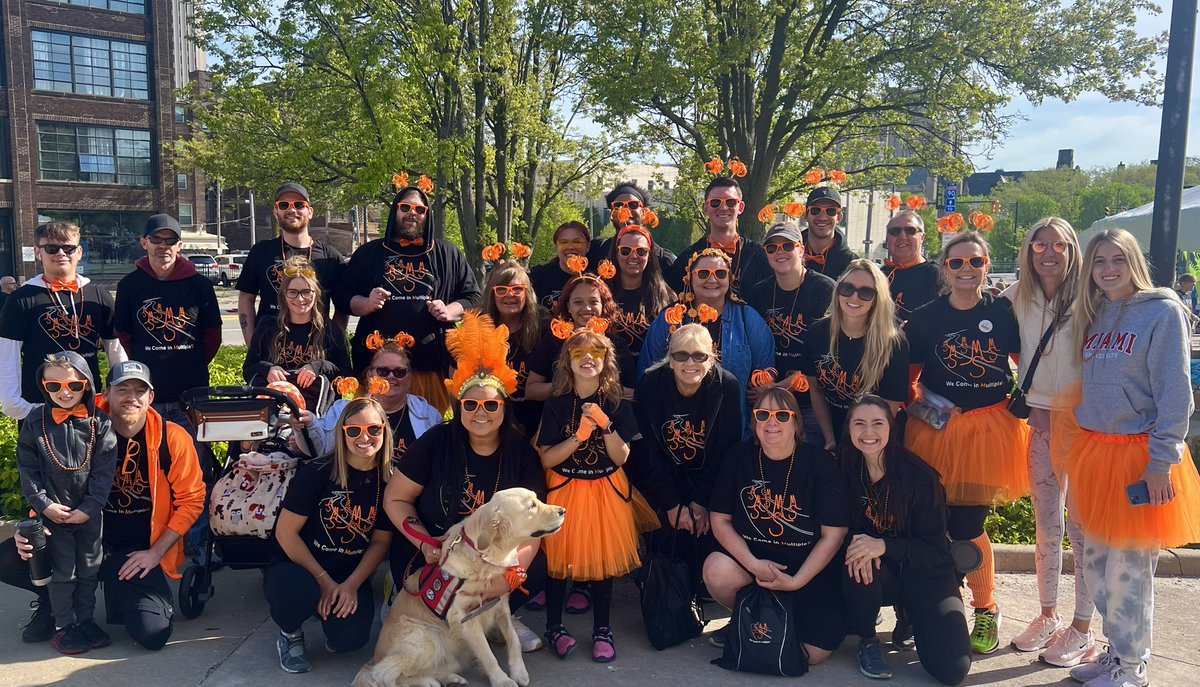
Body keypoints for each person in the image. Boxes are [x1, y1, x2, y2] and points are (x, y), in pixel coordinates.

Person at [1060, 229, 1200, 687]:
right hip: (1098, 451)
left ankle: (1133, 666)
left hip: (1140, 456)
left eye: (1118, 259)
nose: (1108, 269)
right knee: (1097, 568)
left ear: (1134, 260)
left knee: (1130, 572)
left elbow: (1177, 393)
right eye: (1099, 261)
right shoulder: (1096, 312)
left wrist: (1162, 461)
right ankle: (1116, 651)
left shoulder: (1162, 311)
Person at [7, 360, 206, 650]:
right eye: (122, 389)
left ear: (151, 397)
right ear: (105, 393)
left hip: (132, 549)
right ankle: (55, 607)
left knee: (153, 633)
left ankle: (105, 596)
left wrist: (155, 553)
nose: (131, 397)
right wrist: (37, 520)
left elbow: (192, 500)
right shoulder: (80, 424)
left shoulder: (172, 438)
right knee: (10, 557)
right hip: (74, 533)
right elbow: (46, 475)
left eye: (140, 391)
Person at [384, 312, 548, 652]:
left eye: (491, 404)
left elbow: (533, 528)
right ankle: (422, 611)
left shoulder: (522, 454)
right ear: (459, 407)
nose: (480, 411)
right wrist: (425, 541)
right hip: (434, 558)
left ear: (504, 407)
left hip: (492, 561)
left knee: (540, 564)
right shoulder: (435, 442)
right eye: (470, 404)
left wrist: (506, 580)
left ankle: (497, 616)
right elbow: (395, 499)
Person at [904, 231, 1030, 655]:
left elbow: (1028, 366)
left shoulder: (1005, 311)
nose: (965, 270)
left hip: (990, 433)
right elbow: (908, 388)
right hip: (937, 432)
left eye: (974, 262)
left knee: (968, 526)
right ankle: (942, 602)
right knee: (935, 523)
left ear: (986, 266)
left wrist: (1021, 400)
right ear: (944, 269)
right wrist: (934, 411)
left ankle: (986, 606)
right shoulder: (925, 318)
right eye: (956, 263)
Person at [1000, 219, 1099, 665]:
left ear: (1072, 249)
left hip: (1083, 428)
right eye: (1040, 244)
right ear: (1028, 250)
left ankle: (1083, 625)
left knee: (1081, 527)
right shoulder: (1016, 294)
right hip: (1039, 423)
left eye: (1059, 244)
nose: (1049, 253)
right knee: (1046, 522)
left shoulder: (1090, 295)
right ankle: (1048, 614)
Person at [702, 388, 849, 661]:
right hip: (756, 569)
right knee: (716, 569)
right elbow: (719, 519)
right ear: (754, 421)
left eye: (782, 415)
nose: (772, 422)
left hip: (807, 572)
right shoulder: (738, 457)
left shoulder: (820, 464)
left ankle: (769, 623)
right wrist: (752, 562)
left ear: (796, 422)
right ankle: (748, 618)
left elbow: (834, 535)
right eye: (763, 415)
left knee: (813, 654)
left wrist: (796, 581)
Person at [839, 397, 971, 685]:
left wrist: (885, 545)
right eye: (859, 423)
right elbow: (835, 527)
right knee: (857, 558)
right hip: (878, 572)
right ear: (849, 428)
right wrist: (862, 545)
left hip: (926, 573)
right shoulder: (844, 467)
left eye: (877, 423)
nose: (868, 432)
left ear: (891, 427)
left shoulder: (920, 478)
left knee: (952, 669)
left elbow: (936, 551)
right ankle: (868, 639)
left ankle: (910, 614)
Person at [537, 320, 647, 662]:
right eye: (578, 352)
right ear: (567, 362)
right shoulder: (556, 404)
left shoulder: (617, 403)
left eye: (596, 351)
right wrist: (579, 437)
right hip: (565, 489)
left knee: (603, 562)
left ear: (606, 360)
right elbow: (548, 458)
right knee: (557, 562)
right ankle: (553, 626)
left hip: (605, 490)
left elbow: (621, 456)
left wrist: (605, 423)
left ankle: (602, 628)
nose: (587, 358)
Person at [267, 396, 394, 674]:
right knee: (297, 592)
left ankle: (326, 612)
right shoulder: (316, 472)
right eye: (354, 430)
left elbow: (380, 542)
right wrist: (323, 582)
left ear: (384, 430)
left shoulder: (389, 481)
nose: (365, 437)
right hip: (298, 566)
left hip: (347, 572)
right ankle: (290, 633)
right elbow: (286, 533)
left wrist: (350, 585)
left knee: (351, 639)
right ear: (342, 433)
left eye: (374, 429)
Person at [335, 184, 481, 413]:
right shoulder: (370, 253)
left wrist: (450, 310)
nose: (412, 213)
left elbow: (473, 296)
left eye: (419, 209)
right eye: (405, 207)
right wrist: (365, 303)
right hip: (378, 368)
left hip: (431, 367)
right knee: (374, 430)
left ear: (427, 215)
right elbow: (341, 296)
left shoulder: (447, 253)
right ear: (395, 211)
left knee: (427, 433)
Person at [16, 351, 117, 654]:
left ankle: (85, 619)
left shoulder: (100, 424)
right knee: (62, 572)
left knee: (89, 567)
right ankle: (64, 625)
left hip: (89, 514)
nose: (64, 392)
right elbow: (28, 470)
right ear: (43, 385)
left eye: (73, 386)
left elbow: (103, 472)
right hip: (54, 513)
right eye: (54, 386)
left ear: (86, 385)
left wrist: (89, 509)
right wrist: (44, 505)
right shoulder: (35, 422)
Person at [114, 214, 221, 472]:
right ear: (144, 243)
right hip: (150, 391)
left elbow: (212, 335)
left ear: (180, 246)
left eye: (170, 240)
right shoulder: (129, 286)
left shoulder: (200, 285)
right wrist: (149, 361)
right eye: (156, 239)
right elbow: (125, 335)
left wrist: (190, 360)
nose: (163, 246)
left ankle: (200, 509)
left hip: (192, 390)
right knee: (154, 459)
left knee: (195, 460)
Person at [635, 324, 742, 570]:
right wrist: (672, 504)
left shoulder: (728, 387)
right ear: (670, 360)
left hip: (708, 483)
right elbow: (646, 452)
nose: (689, 362)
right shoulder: (650, 385)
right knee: (666, 552)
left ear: (711, 358)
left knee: (703, 545)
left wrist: (700, 503)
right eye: (681, 355)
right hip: (663, 481)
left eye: (699, 355)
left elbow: (726, 450)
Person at [0, 221, 126, 421]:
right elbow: (7, 357)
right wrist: (17, 406)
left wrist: (119, 395)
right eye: (52, 248)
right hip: (39, 408)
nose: (61, 253)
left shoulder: (98, 295)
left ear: (79, 252)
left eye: (68, 248)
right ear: (38, 252)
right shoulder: (21, 299)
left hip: (89, 407)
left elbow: (116, 353)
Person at [802, 259, 909, 449]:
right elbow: (816, 390)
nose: (854, 297)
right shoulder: (817, 332)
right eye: (847, 288)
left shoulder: (893, 343)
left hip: (873, 436)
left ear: (878, 298)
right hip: (829, 427)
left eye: (866, 292)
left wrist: (859, 444)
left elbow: (891, 406)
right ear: (838, 291)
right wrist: (830, 439)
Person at [746, 221, 835, 445]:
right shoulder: (759, 292)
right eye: (772, 248)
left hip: (810, 403)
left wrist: (773, 388)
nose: (780, 252)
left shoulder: (824, 289)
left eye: (787, 246)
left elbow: (823, 358)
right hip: (769, 405)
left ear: (801, 249)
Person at [640, 248, 775, 396]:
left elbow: (766, 371)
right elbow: (647, 371)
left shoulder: (747, 318)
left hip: (731, 414)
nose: (712, 279)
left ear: (729, 279)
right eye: (703, 273)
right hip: (678, 414)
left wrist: (762, 391)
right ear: (690, 279)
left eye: (720, 273)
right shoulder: (671, 317)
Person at [299, 332, 441, 466]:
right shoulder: (344, 409)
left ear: (410, 378)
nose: (391, 377)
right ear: (369, 375)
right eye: (383, 371)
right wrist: (308, 424)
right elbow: (320, 449)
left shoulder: (428, 415)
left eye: (399, 372)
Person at [236, 183, 345, 345]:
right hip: (270, 348)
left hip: (316, 349)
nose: (292, 210)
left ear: (310, 212)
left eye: (299, 205)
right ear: (276, 212)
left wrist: (334, 342)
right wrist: (252, 342)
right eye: (284, 205)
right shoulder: (261, 252)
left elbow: (342, 307)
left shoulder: (330, 257)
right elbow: (246, 297)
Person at [525, 265, 637, 401]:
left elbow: (633, 393)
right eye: (578, 302)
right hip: (561, 417)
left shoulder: (615, 342)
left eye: (593, 301)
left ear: (603, 306)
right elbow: (531, 391)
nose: (587, 308)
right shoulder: (554, 340)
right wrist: (569, 384)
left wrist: (600, 386)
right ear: (568, 306)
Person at [243, 257, 351, 397]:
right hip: (275, 405)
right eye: (293, 292)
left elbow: (346, 374)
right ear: (284, 296)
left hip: (316, 409)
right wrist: (267, 369)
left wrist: (318, 366)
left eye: (306, 292)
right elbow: (248, 369)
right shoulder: (267, 326)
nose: (300, 299)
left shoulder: (330, 329)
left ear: (316, 294)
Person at [666, 177, 770, 295]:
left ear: (740, 207)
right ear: (706, 208)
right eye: (716, 202)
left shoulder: (759, 257)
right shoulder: (687, 259)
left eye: (730, 202)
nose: (724, 207)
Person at [482, 259, 548, 433]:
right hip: (492, 421)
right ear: (492, 293)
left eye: (517, 289)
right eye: (501, 289)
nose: (509, 295)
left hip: (538, 421)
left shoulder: (545, 327)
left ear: (527, 293)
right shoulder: (478, 329)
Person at [603, 224, 675, 361]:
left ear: (650, 254)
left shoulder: (667, 296)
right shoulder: (600, 294)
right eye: (625, 251)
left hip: (651, 374)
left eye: (641, 251)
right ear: (616, 254)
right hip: (610, 374)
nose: (633, 256)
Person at [586, 182, 676, 273]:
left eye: (633, 205)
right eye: (618, 206)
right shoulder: (596, 250)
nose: (625, 211)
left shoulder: (663, 259)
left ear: (644, 212)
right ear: (611, 214)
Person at [881, 210, 940, 321]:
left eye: (910, 230)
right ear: (887, 238)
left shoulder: (937, 276)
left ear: (922, 237)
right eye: (895, 231)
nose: (902, 236)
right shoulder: (879, 275)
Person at [530, 221, 592, 310]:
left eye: (577, 242)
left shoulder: (597, 277)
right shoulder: (539, 275)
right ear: (556, 247)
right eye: (563, 243)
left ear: (588, 246)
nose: (570, 247)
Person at [802, 186, 857, 280]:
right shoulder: (788, 254)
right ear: (806, 215)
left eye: (831, 211)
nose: (823, 217)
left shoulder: (852, 265)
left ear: (839, 217)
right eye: (815, 210)